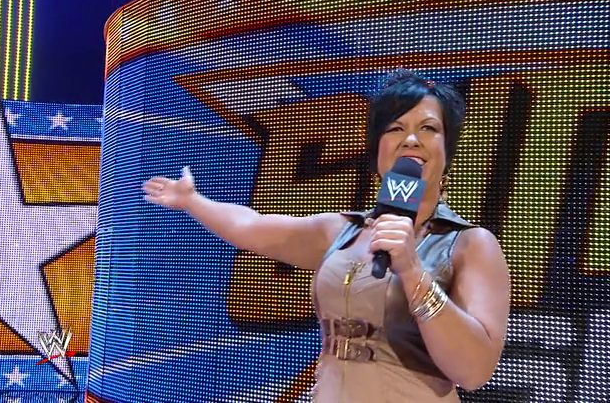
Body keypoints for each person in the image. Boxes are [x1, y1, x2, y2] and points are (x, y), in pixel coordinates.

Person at [142, 70, 510, 402]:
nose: (411, 139)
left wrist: (414, 273)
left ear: (448, 150)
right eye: (395, 128)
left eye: (428, 128)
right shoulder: (342, 230)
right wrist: (193, 201)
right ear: (377, 148)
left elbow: (474, 372)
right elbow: (251, 227)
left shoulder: (469, 244)